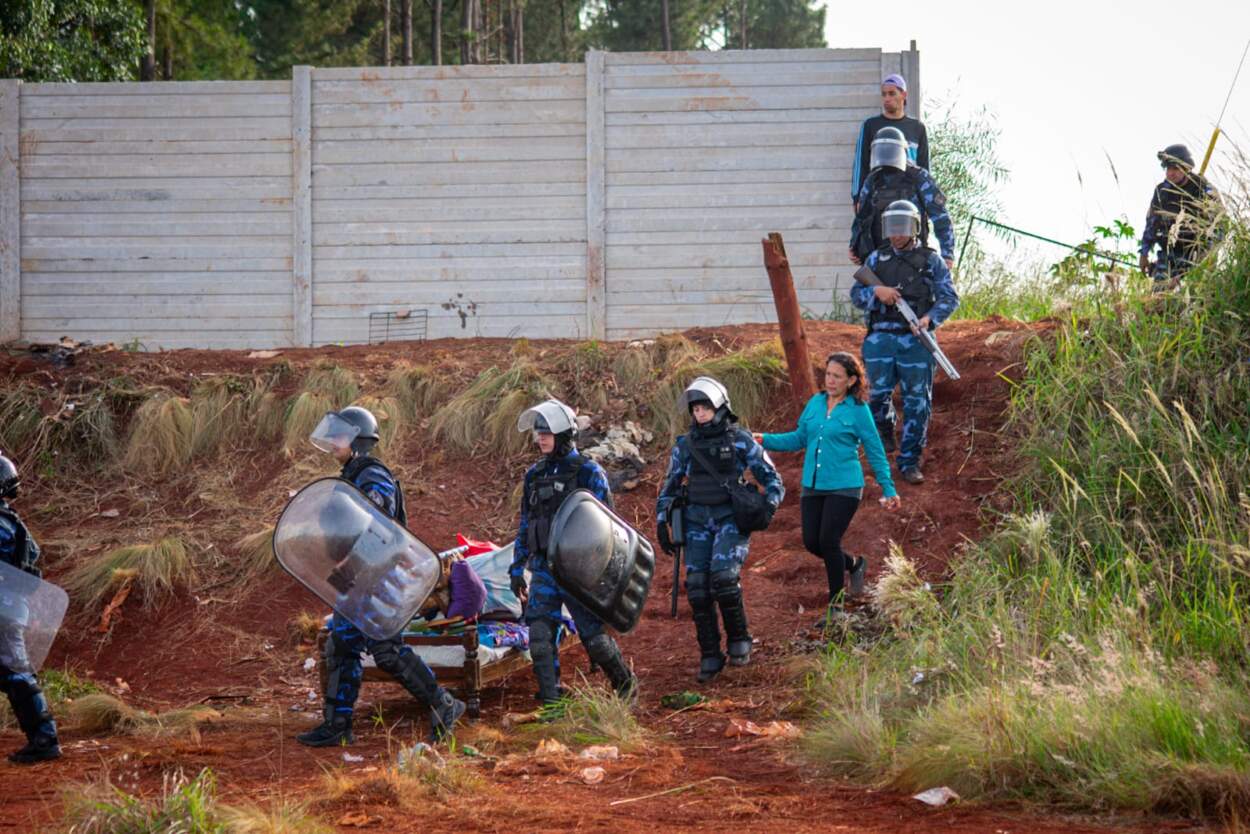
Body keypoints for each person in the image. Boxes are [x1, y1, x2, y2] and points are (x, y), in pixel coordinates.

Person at [297, 406, 465, 747]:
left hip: (377, 576)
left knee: (386, 650)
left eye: (340, 435)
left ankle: (444, 703)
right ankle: (338, 725)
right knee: (341, 644)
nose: (333, 442)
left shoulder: (373, 476)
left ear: (358, 439)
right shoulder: (350, 476)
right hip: (355, 576)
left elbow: (377, 528)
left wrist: (353, 569)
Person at [655, 378, 784, 683]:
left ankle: (739, 639)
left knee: (724, 578)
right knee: (697, 587)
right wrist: (662, 521)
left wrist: (769, 505)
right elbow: (670, 486)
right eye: (695, 409)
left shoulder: (740, 441)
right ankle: (710, 653)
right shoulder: (685, 446)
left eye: (705, 407)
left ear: (720, 407)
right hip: (696, 521)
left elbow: (772, 478)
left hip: (730, 518)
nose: (699, 413)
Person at [754, 354, 900, 621]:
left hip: (845, 486)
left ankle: (836, 607)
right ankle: (854, 564)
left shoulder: (858, 410)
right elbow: (798, 438)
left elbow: (875, 450)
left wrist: (888, 487)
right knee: (812, 542)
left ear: (851, 380)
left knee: (829, 541)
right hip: (813, 484)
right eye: (828, 374)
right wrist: (764, 439)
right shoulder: (816, 402)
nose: (830, 380)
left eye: (837, 376)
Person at [510, 399, 636, 705]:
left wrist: (604, 572)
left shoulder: (588, 472)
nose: (540, 438)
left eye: (547, 433)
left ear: (565, 435)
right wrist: (517, 567)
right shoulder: (534, 475)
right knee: (539, 637)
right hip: (543, 568)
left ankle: (625, 686)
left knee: (595, 639)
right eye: (538, 433)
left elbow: (608, 526)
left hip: (580, 569)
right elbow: (527, 522)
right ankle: (551, 700)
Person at [850, 200, 959, 485]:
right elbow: (856, 295)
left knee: (917, 402)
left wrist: (928, 319)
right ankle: (885, 432)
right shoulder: (876, 259)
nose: (897, 234)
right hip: (880, 339)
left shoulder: (931, 261)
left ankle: (909, 461)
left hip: (916, 340)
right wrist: (877, 292)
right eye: (892, 227)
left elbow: (950, 298)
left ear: (914, 228)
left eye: (902, 227)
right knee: (876, 396)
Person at [0, 454, 61, 764]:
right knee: (14, 673)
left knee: (17, 675)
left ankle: (45, 739)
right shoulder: (12, 521)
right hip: (11, 607)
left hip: (3, 610)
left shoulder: (2, 524)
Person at [850, 126, 955, 269]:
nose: (886, 154)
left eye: (890, 149)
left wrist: (947, 254)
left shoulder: (918, 177)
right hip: (878, 258)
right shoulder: (873, 180)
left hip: (913, 257)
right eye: (883, 150)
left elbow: (941, 217)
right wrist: (854, 245)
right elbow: (861, 217)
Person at [1139, 143, 1223, 288]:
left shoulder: (1204, 190)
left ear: (1186, 168)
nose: (1171, 173)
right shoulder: (1161, 192)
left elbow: (1219, 227)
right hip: (1167, 255)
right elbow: (1151, 224)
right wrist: (1144, 254)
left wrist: (1199, 264)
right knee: (1159, 295)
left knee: (1195, 295)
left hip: (1197, 257)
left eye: (1175, 168)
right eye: (1168, 168)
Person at [851, 73, 930, 208]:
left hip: (909, 197)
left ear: (903, 95)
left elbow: (924, 166)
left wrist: (926, 199)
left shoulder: (917, 128)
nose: (887, 98)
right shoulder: (870, 125)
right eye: (884, 94)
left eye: (892, 94)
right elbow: (861, 163)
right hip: (877, 195)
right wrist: (857, 197)